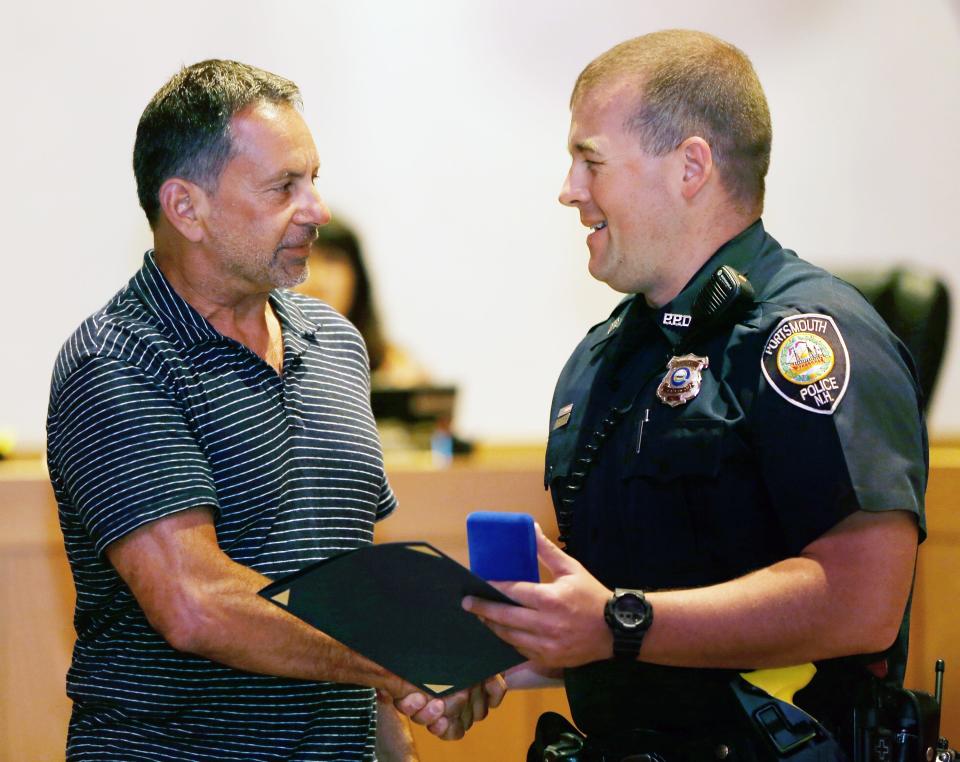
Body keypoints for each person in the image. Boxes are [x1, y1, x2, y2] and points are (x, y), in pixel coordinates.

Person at [463, 30, 926, 761]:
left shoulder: (806, 338)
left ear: (691, 166)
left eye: (590, 161)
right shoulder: (606, 356)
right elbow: (644, 607)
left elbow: (863, 600)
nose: (569, 190)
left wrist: (618, 623)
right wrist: (510, 656)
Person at [46, 59, 502, 761]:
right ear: (186, 207)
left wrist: (394, 737)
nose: (317, 209)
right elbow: (196, 603)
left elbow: (346, 573)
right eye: (284, 186)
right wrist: (408, 658)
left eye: (314, 179)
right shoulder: (116, 362)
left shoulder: (338, 345)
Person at [296, 218, 429, 388]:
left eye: (331, 260)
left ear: (357, 277)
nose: (318, 280)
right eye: (304, 259)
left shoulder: (393, 365)